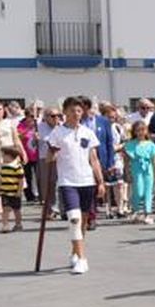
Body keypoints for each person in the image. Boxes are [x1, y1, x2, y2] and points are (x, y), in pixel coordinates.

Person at [46, 96, 106, 275]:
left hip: (87, 180)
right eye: (72, 110)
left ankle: (75, 251)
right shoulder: (57, 133)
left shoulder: (88, 132)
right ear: (65, 112)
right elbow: (49, 157)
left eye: (79, 111)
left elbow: (94, 159)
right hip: (67, 182)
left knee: (84, 221)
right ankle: (82, 258)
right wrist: (51, 154)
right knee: (74, 219)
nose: (76, 114)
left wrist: (100, 181)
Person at [124, 120, 155, 223]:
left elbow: (154, 160)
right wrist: (127, 172)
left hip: (148, 170)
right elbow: (127, 161)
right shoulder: (131, 144)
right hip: (136, 169)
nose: (140, 132)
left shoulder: (150, 144)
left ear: (146, 131)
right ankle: (135, 210)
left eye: (142, 130)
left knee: (148, 191)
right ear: (134, 132)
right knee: (138, 191)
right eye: (138, 130)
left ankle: (147, 213)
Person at [0, 146, 26, 232]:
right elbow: (1, 178)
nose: (2, 157)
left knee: (16, 209)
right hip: (5, 191)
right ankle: (5, 225)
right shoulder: (3, 166)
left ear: (10, 156)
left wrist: (19, 191)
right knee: (5, 209)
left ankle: (18, 224)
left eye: (3, 155)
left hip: (15, 192)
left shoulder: (17, 167)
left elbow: (21, 180)